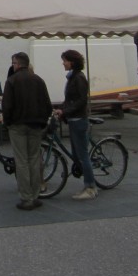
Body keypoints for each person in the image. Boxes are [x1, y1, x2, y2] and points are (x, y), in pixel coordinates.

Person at [1, 52, 52, 210]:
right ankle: (35, 195)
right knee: (34, 159)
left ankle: (26, 197)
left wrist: (8, 122)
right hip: (36, 124)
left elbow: (7, 105)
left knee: (21, 160)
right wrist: (42, 121)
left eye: (13, 63)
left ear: (17, 64)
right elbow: (47, 105)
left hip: (18, 125)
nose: (13, 65)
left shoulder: (12, 80)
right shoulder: (38, 80)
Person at [53, 49, 98, 201]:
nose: (63, 63)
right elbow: (70, 99)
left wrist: (65, 111)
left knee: (83, 155)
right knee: (78, 155)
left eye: (64, 60)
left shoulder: (79, 78)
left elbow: (81, 101)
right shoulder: (73, 77)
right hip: (73, 120)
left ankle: (90, 187)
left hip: (79, 120)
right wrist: (60, 108)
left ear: (72, 62)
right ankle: (87, 185)